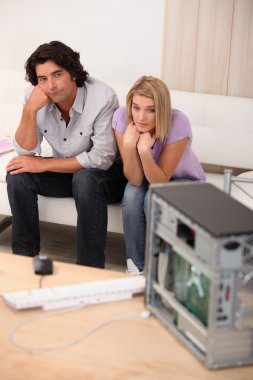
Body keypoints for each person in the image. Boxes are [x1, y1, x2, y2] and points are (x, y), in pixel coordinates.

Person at [6, 41, 126, 268]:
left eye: (57, 74)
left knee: (85, 178)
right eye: (42, 79)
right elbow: (25, 151)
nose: (50, 85)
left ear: (73, 72)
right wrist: (30, 110)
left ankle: (88, 269)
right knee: (18, 173)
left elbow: (101, 158)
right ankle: (23, 261)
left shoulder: (102, 97)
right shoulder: (35, 97)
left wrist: (43, 165)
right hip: (67, 173)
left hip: (106, 178)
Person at [112, 76, 206, 275]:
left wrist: (145, 151)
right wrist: (129, 146)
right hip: (147, 178)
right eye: (136, 107)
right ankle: (136, 267)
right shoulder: (122, 117)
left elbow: (160, 181)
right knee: (132, 194)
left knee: (152, 197)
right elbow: (135, 179)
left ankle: (158, 269)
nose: (141, 117)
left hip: (184, 180)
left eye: (151, 110)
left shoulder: (178, 122)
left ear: (161, 110)